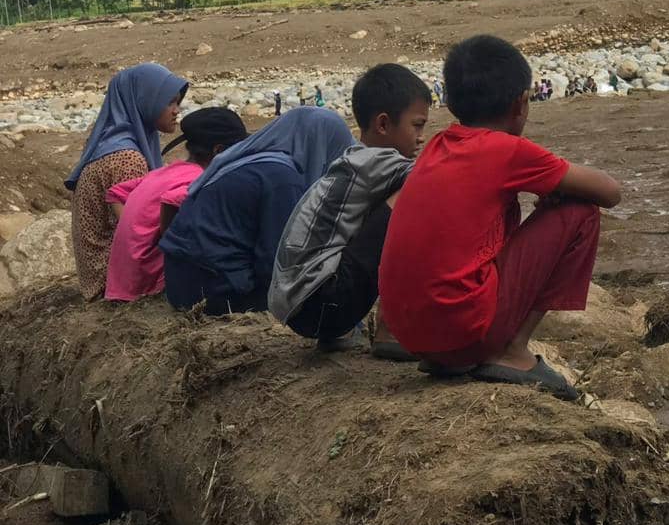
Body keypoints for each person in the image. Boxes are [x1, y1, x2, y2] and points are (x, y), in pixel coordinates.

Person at [378, 35, 622, 401]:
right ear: (521, 103)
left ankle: (455, 354)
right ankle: (512, 349)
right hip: (462, 333)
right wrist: (558, 191)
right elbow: (609, 192)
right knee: (580, 211)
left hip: (411, 336)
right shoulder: (507, 150)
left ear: (451, 101)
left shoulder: (438, 145)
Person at [270, 64, 430, 354]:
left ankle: (340, 334)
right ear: (383, 124)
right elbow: (435, 178)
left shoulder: (354, 159)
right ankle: (392, 330)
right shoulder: (376, 163)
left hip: (297, 304)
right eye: (417, 125)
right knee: (416, 195)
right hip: (321, 301)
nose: (422, 137)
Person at [160, 107, 353, 315]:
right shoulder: (283, 178)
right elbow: (276, 261)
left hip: (179, 284)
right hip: (212, 292)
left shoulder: (250, 159)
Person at [66, 63, 188, 301]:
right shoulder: (127, 158)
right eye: (169, 102)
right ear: (144, 101)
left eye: (178, 102)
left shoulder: (110, 141)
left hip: (96, 273)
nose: (176, 111)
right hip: (109, 278)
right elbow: (137, 231)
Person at [104, 108, 248, 302]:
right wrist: (168, 242)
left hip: (122, 281)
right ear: (219, 151)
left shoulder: (163, 172)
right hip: (148, 284)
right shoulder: (199, 180)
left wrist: (135, 231)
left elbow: (115, 193)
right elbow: (172, 200)